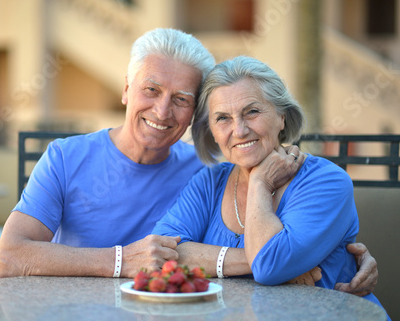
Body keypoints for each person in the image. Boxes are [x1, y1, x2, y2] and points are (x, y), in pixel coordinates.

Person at [0, 29, 377, 295]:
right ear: (126, 90)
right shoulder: (66, 157)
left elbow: (173, 255)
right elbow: (11, 256)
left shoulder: (203, 167)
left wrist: (333, 254)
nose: (162, 110)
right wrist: (122, 261)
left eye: (181, 99)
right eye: (151, 89)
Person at [151, 55, 388, 316]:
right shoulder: (210, 181)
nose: (239, 130)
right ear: (212, 131)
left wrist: (260, 184)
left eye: (251, 111)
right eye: (222, 118)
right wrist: (252, 260)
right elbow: (162, 252)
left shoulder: (326, 181)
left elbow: (269, 266)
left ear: (281, 116)